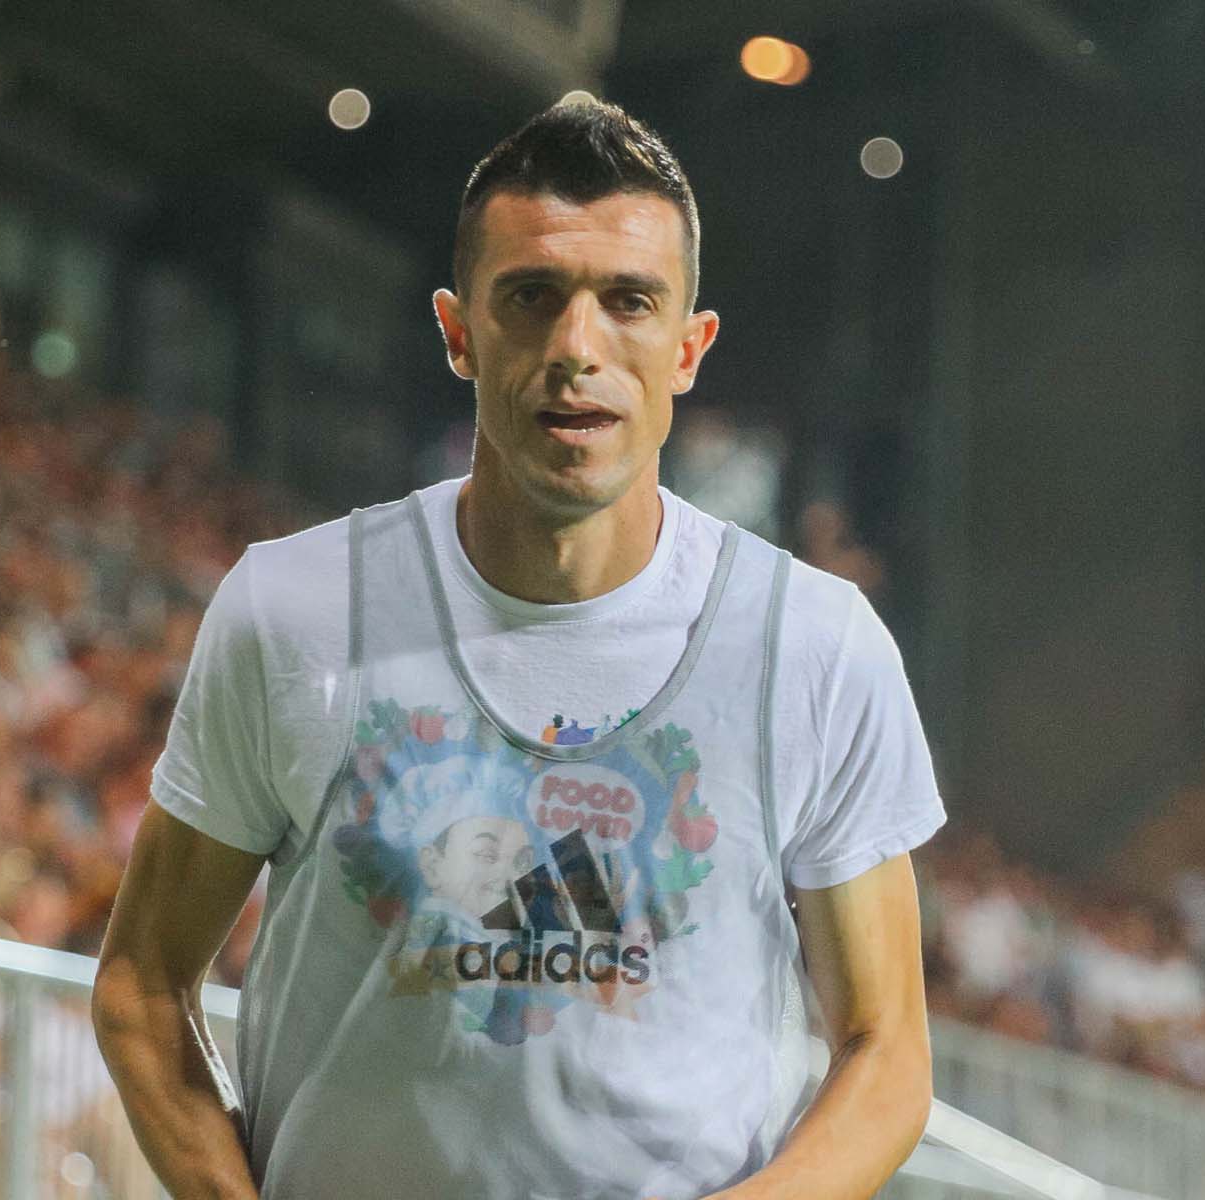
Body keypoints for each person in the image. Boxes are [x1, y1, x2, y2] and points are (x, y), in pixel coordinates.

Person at [93, 100, 947, 1200]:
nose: (577, 349)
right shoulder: (294, 610)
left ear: (689, 348)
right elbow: (142, 986)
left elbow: (888, 1051)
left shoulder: (815, 646)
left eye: (629, 302)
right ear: (459, 331)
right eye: (532, 296)